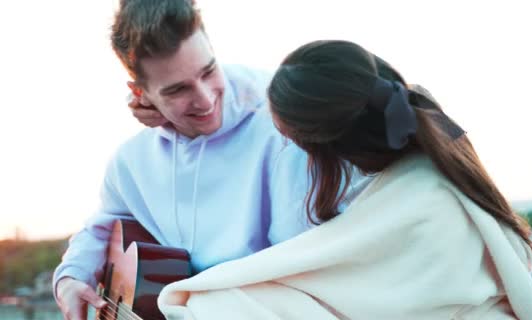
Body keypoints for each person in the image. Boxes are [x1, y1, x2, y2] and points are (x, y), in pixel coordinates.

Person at [155, 40, 532, 319]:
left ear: (325, 151)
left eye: (293, 143)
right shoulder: (429, 173)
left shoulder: (417, 208)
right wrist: (164, 103)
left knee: (218, 306)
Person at [52, 1, 341, 319]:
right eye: (177, 90)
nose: (204, 99)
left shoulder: (283, 127)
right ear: (140, 94)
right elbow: (100, 229)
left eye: (208, 71)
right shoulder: (129, 162)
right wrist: (69, 279)